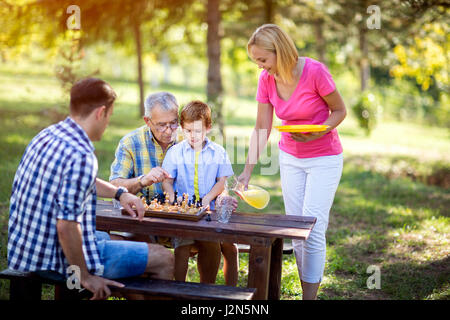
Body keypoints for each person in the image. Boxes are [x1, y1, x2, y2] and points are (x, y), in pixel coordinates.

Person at [7, 78, 174, 300]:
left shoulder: (48, 135)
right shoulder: (81, 155)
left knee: (128, 244)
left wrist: (119, 193)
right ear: (100, 113)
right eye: (110, 116)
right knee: (163, 258)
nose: (107, 123)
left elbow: (83, 181)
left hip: (25, 249)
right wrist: (84, 276)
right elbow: (66, 227)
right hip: (55, 258)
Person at [238, 24, 346, 300]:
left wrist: (320, 130)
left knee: (312, 226)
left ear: (280, 51)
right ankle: (304, 291)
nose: (261, 67)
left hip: (324, 158)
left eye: (263, 60)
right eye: (256, 62)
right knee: (296, 230)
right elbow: (262, 126)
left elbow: (339, 110)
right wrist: (246, 172)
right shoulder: (266, 80)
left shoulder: (314, 71)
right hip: (291, 158)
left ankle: (309, 298)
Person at [109, 92, 235, 284]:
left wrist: (221, 195)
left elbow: (218, 182)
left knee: (213, 242)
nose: (169, 131)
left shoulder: (191, 136)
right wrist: (142, 180)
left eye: (173, 123)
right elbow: (113, 186)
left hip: (185, 216)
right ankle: (164, 292)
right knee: (147, 249)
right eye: (161, 125)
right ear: (148, 121)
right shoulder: (130, 143)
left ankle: (206, 294)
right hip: (148, 219)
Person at [161, 100, 239, 285]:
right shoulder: (175, 152)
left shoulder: (218, 152)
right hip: (184, 213)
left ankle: (207, 289)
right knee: (182, 245)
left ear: (208, 128)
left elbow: (222, 181)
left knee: (213, 243)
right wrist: (172, 199)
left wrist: (208, 198)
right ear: (182, 128)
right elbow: (167, 180)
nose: (193, 136)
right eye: (188, 131)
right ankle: (178, 290)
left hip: (210, 212)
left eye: (198, 131)